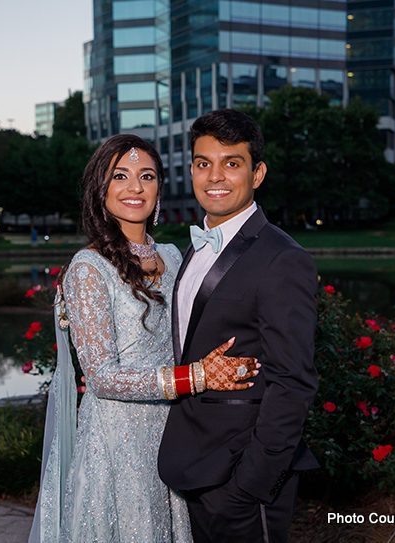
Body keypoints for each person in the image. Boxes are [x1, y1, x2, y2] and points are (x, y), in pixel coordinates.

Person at [29, 134, 259, 543]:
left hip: (175, 432)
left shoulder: (173, 254)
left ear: (159, 189)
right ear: (101, 189)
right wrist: (197, 377)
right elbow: (101, 377)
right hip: (119, 443)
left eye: (146, 176)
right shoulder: (89, 267)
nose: (135, 187)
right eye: (120, 176)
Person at [158, 109, 320, 543]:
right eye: (203, 163)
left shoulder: (282, 258)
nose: (215, 176)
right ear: (190, 169)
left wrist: (252, 483)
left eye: (232, 163)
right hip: (195, 465)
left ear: (257, 172)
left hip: (242, 478)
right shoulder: (193, 248)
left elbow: (293, 382)